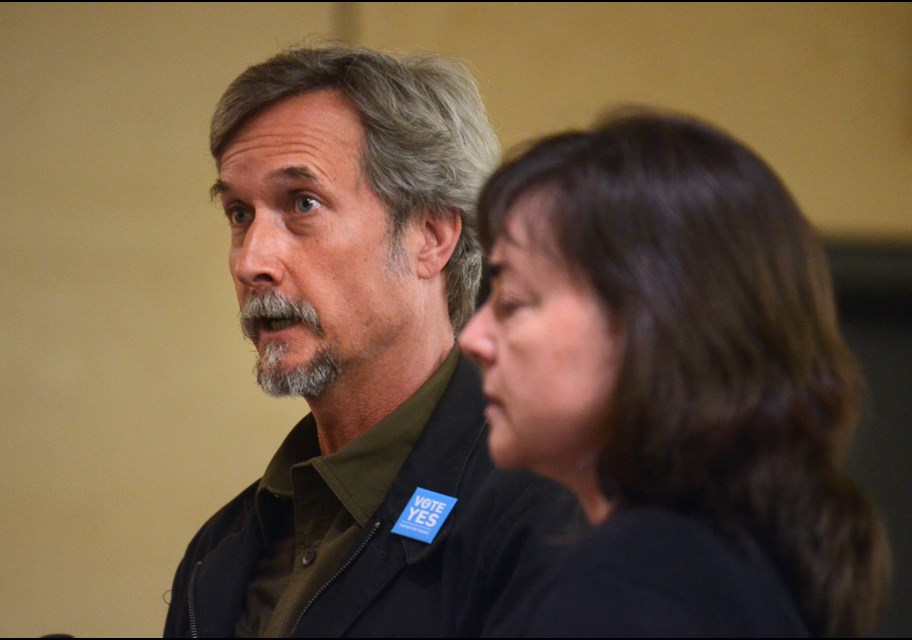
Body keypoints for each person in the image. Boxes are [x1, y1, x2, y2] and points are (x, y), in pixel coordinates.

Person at [163, 46, 585, 638]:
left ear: (431, 236)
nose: (252, 260)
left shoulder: (550, 512)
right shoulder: (221, 550)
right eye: (239, 213)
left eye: (302, 204)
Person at [460, 109, 891, 637]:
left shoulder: (628, 587)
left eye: (513, 300)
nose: (473, 339)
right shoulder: (730, 563)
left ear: (652, 323)